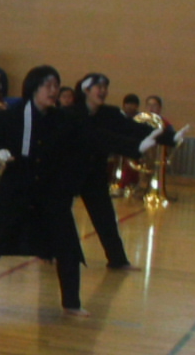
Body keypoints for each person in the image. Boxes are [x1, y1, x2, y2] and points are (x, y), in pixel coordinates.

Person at [0, 66, 88, 314]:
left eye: (56, 86)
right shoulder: (11, 116)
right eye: (48, 86)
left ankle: (72, 304)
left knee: (67, 245)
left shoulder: (63, 120)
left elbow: (75, 154)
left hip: (50, 191)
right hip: (16, 188)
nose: (53, 91)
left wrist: (69, 186)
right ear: (33, 88)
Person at [67, 73, 178, 270]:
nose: (103, 91)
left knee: (105, 218)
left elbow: (134, 129)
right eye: (99, 87)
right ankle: (51, 253)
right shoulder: (70, 114)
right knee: (58, 215)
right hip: (66, 172)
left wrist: (170, 137)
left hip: (94, 174)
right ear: (86, 90)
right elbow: (100, 138)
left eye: (105, 87)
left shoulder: (109, 113)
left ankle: (118, 260)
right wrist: (136, 148)